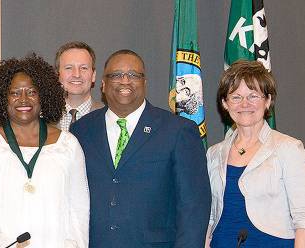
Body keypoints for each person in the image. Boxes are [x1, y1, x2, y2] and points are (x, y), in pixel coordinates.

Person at [69, 49, 209, 247]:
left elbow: (194, 207)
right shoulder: (81, 130)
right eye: (116, 75)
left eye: (134, 75)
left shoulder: (178, 131)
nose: (125, 80)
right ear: (102, 84)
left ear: (145, 83)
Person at [0, 54, 89, 247]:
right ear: (3, 99)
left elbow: (78, 208)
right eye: (15, 93)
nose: (23, 99)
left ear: (43, 96)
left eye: (31, 92)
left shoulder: (68, 144)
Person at [206, 60, 305, 248]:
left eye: (253, 96)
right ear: (225, 103)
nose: (245, 104)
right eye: (236, 97)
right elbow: (210, 216)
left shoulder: (289, 148)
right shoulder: (213, 153)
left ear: (267, 101)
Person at [55, 41, 104, 131]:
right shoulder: (40, 118)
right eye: (69, 68)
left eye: (83, 68)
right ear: (58, 75)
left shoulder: (108, 116)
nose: (76, 74)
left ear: (93, 75)